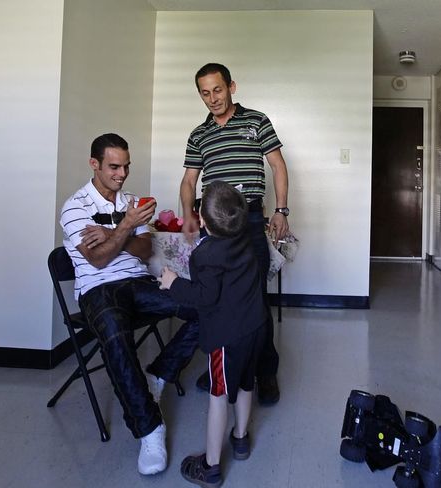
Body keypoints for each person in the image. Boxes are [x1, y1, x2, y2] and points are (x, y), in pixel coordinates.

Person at [60, 133, 199, 476]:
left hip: (138, 284)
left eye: (126, 166)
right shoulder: (75, 206)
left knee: (206, 307)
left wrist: (110, 235)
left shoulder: (133, 201)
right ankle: (150, 429)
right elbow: (96, 261)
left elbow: (145, 251)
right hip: (98, 290)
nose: (121, 175)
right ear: (94, 164)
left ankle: (159, 374)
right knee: (114, 334)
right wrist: (125, 228)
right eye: (113, 167)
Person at [180, 62, 290, 405]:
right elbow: (188, 181)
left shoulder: (256, 121)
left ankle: (265, 371)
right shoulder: (199, 134)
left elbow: (277, 165)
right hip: (213, 228)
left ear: (231, 87)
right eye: (205, 92)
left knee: (254, 300)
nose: (212, 98)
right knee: (214, 299)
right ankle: (221, 364)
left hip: (251, 222)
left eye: (218, 89)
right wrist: (187, 214)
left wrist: (281, 210)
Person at [159, 181, 267, 487]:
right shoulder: (245, 239)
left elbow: (204, 297)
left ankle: (211, 467)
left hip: (227, 338)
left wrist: (172, 283)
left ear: (202, 219)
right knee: (247, 383)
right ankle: (241, 438)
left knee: (218, 395)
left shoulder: (205, 255)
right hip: (256, 327)